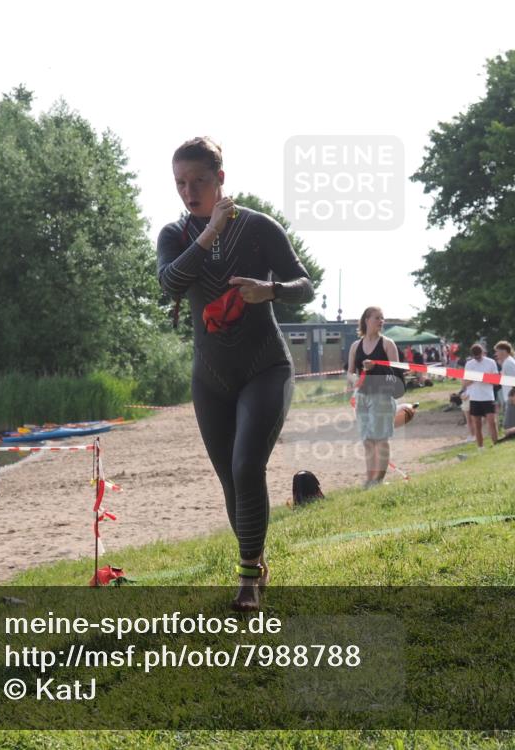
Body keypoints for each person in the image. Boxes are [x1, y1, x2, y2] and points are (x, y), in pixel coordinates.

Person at [157, 137, 313, 611]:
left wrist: (271, 290)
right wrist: (208, 233)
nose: (189, 191)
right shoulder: (174, 234)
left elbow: (304, 286)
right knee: (231, 478)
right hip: (211, 378)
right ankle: (256, 560)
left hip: (266, 367)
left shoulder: (260, 228)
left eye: (199, 181)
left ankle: (247, 580)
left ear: (220, 179)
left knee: (248, 466)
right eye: (181, 183)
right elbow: (170, 283)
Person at [348, 307, 402, 488]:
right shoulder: (356, 346)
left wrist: (375, 369)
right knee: (367, 440)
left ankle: (379, 480)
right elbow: (350, 373)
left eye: (382, 318)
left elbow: (397, 374)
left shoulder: (387, 344)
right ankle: (370, 479)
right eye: (377, 318)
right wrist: (356, 379)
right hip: (362, 396)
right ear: (366, 320)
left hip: (382, 396)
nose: (381, 321)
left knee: (381, 439)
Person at [462, 343, 499, 449]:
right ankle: (480, 448)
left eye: (479, 356)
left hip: (488, 396)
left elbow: (496, 381)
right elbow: (464, 383)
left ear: (483, 352)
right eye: (475, 356)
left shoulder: (491, 362)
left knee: (492, 422)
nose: (477, 358)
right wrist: (474, 379)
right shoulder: (469, 364)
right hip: (474, 397)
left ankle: (496, 444)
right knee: (477, 424)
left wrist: (486, 378)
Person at [494, 341, 515, 429]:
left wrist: (514, 397)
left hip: (512, 398)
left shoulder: (508, 363)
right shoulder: (510, 361)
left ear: (503, 351)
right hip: (512, 397)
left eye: (497, 351)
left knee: (509, 425)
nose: (496, 354)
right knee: (512, 424)